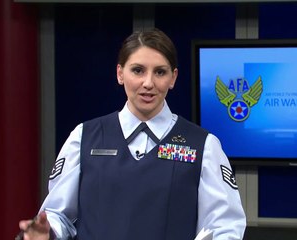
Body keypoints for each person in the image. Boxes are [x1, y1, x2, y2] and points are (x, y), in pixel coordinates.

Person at [18, 28, 246, 240]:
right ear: (120, 74)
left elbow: (224, 226)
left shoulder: (203, 145)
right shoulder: (84, 137)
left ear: (173, 78)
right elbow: (60, 215)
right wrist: (46, 233)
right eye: (138, 70)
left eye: (160, 72)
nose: (148, 83)